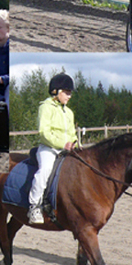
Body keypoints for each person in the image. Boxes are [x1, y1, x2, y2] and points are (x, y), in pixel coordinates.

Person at [28, 73, 77, 224]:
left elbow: (72, 133)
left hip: (66, 150)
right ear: (56, 91)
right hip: (48, 148)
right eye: (67, 93)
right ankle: (34, 207)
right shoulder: (46, 107)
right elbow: (44, 132)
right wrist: (62, 144)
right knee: (44, 171)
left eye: (70, 93)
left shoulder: (68, 112)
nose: (69, 96)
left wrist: (74, 143)